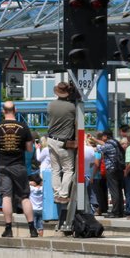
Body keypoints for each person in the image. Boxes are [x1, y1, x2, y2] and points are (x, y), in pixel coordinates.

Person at [0, 101, 39, 238]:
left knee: (6, 196)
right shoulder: (23, 127)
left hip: (3, 166)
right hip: (19, 166)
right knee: (24, 197)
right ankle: (32, 229)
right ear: (15, 109)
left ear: (3, 111)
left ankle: (8, 229)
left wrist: (0, 144)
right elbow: (29, 149)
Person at [45, 81, 77, 217]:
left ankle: (57, 193)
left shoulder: (50, 105)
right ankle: (64, 194)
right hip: (64, 142)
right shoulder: (72, 107)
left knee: (55, 169)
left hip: (51, 139)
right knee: (68, 169)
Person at [97, 131, 125, 218]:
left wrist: (90, 142)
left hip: (111, 169)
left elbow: (99, 149)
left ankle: (115, 212)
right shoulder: (116, 143)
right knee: (119, 190)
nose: (101, 138)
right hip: (119, 169)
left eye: (102, 137)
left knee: (114, 191)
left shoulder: (108, 145)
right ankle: (120, 211)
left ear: (105, 136)